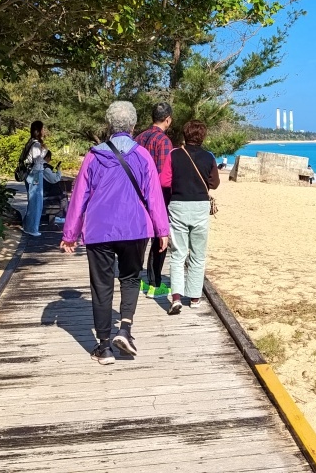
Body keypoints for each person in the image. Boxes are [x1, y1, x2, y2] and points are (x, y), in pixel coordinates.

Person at [60, 102, 170, 364]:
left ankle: (104, 347)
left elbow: (79, 197)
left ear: (109, 125)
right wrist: (161, 230)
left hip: (99, 230)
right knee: (131, 278)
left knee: (101, 286)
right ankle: (126, 329)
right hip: (135, 228)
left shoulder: (93, 156)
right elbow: (154, 196)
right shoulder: (142, 155)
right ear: (132, 126)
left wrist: (70, 234)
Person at [166, 119, 220, 315]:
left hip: (179, 204)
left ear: (185, 134)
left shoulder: (174, 155)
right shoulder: (209, 157)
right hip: (199, 206)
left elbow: (165, 180)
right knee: (197, 254)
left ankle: (177, 297)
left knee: (178, 254)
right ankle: (195, 297)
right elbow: (214, 183)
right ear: (203, 136)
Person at [134, 102, 174, 297]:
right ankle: (154, 283)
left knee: (139, 239)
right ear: (167, 119)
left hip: (135, 195)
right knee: (159, 240)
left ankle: (135, 279)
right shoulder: (164, 141)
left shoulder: (138, 138)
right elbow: (164, 175)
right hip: (156, 197)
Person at [22, 121, 47, 237]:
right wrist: (45, 152)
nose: (44, 131)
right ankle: (32, 228)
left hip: (29, 174)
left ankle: (28, 226)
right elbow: (37, 160)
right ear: (39, 130)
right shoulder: (36, 144)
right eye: (43, 128)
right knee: (36, 201)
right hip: (35, 174)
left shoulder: (30, 142)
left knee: (32, 200)